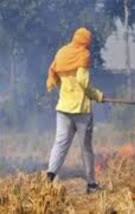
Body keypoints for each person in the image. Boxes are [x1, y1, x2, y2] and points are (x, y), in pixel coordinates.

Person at [45, 27, 105, 193]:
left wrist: (64, 93)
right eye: (88, 42)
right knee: (86, 147)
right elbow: (83, 82)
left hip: (63, 107)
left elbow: (55, 76)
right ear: (85, 42)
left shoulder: (62, 52)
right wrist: (97, 95)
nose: (88, 46)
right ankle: (91, 184)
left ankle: (49, 176)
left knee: (60, 143)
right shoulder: (83, 54)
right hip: (81, 110)